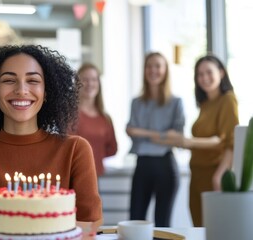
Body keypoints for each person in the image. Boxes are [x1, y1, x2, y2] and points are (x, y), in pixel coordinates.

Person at [0, 45, 103, 233]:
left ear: (47, 92)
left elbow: (89, 226)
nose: (21, 90)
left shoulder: (75, 150)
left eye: (32, 80)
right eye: (9, 80)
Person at [164, 54, 239, 226]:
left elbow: (227, 141)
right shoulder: (205, 104)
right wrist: (179, 141)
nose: (204, 78)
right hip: (196, 175)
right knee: (199, 228)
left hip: (213, 174)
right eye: (200, 74)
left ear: (221, 72)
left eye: (208, 72)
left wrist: (219, 175)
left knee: (215, 229)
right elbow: (204, 141)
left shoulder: (227, 99)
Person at [126, 52, 185, 227]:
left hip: (165, 166)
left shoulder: (176, 102)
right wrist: (162, 135)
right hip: (142, 165)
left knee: (162, 224)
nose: (153, 70)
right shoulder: (136, 103)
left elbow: (177, 137)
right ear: (144, 70)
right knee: (135, 221)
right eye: (149, 66)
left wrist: (143, 133)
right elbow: (130, 130)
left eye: (158, 66)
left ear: (165, 70)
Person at [72, 63, 117, 176]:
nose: (90, 84)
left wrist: (95, 156)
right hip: (72, 175)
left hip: (96, 176)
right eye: (85, 79)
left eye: (94, 79)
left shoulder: (105, 118)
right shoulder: (69, 115)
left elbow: (113, 149)